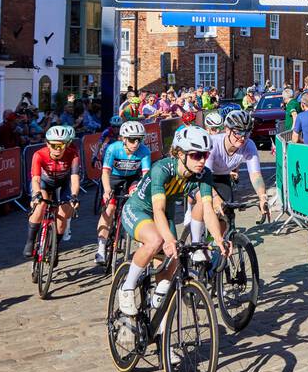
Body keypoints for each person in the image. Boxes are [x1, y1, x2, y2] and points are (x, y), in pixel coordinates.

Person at [116, 124, 230, 317]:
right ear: (179, 153)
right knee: (156, 241)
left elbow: (208, 209)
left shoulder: (203, 175)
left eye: (205, 155)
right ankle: (127, 288)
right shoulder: (162, 168)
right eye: (195, 155)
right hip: (140, 209)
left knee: (175, 259)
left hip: (164, 215)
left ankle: (159, 311)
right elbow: (157, 209)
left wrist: (218, 239)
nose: (202, 160)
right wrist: (168, 239)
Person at [204, 111, 270, 236]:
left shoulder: (249, 145)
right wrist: (214, 198)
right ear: (227, 130)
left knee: (226, 214)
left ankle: (219, 243)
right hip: (203, 176)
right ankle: (196, 236)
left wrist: (262, 197)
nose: (243, 137)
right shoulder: (213, 144)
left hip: (222, 175)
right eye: (238, 132)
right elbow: (204, 177)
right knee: (207, 205)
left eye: (247, 133)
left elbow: (255, 174)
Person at [96, 121, 153, 265]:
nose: (136, 143)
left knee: (137, 200)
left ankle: (141, 242)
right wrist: (107, 190)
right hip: (113, 179)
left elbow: (146, 175)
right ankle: (101, 249)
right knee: (109, 209)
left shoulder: (144, 151)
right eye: (132, 139)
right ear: (124, 139)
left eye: (139, 139)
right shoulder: (113, 148)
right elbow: (105, 172)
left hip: (132, 179)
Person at [25, 125, 81, 258]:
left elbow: (74, 178)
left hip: (63, 183)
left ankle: (54, 246)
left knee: (62, 216)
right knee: (41, 205)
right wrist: (37, 194)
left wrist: (74, 196)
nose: (57, 149)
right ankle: (30, 241)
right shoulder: (39, 154)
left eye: (61, 146)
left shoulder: (72, 155)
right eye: (54, 145)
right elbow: (36, 179)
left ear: (66, 145)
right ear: (47, 144)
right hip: (44, 183)